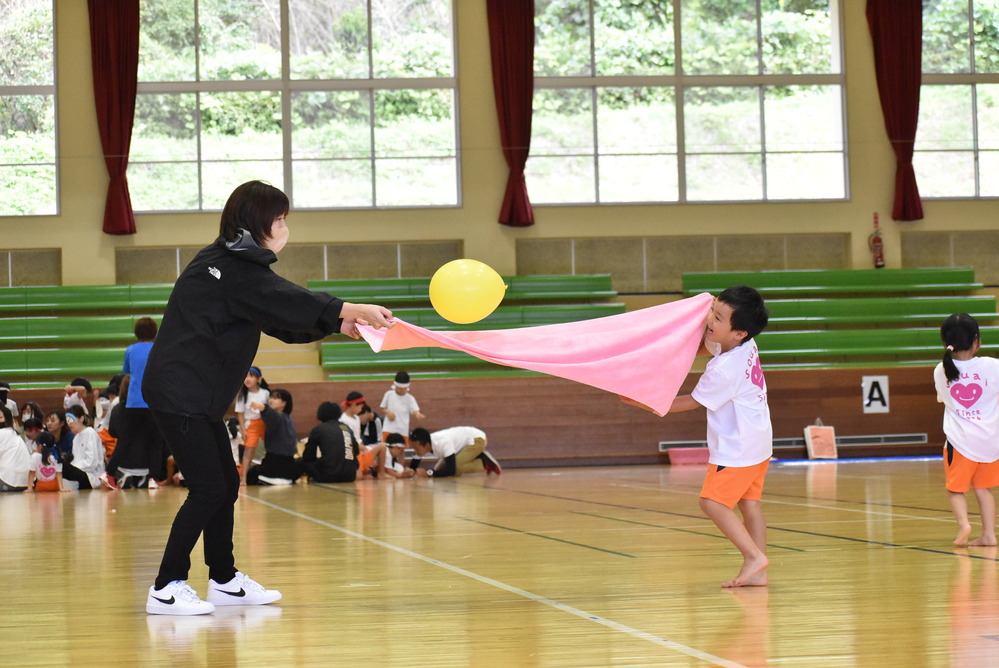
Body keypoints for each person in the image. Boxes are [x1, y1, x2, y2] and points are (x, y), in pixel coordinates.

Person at [141, 180, 394, 616]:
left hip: (195, 396)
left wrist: (338, 323)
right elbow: (284, 299)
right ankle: (166, 586)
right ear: (256, 223)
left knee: (224, 487)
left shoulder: (234, 267)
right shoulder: (225, 267)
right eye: (279, 218)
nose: (284, 226)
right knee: (207, 489)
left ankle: (223, 580)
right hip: (179, 393)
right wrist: (349, 310)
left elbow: (279, 314)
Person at [625, 285, 771, 589]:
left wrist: (643, 400)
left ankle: (753, 557)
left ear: (739, 332)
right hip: (758, 442)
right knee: (750, 505)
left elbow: (690, 401)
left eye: (717, 318)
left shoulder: (723, 370)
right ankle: (758, 572)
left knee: (712, 503)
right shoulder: (745, 345)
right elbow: (707, 344)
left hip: (737, 448)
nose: (709, 321)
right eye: (713, 311)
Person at [935, 313, 999, 547]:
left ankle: (964, 525)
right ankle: (989, 535)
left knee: (956, 489)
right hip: (990, 442)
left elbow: (944, 399)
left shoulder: (941, 370)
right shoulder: (994, 366)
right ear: (977, 341)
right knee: (984, 489)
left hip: (960, 443)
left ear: (946, 341)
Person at [122, 317, 168, 485]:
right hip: (153, 401)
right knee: (156, 442)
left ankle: (109, 473)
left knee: (125, 440)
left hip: (133, 401)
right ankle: (153, 478)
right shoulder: (158, 349)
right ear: (155, 331)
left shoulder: (131, 349)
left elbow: (127, 372)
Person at [245, 389, 300, 486]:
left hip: (275, 465)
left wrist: (261, 407)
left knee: (251, 475)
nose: (271, 400)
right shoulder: (289, 419)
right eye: (271, 397)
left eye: (275, 398)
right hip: (289, 467)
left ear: (283, 403)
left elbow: (270, 413)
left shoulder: (278, 417)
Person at [409, 426, 501, 478]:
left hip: (476, 439)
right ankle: (478, 457)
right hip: (460, 446)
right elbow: (413, 465)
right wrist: (410, 471)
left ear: (426, 445)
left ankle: (484, 463)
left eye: (416, 448)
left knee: (457, 469)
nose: (415, 451)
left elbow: (451, 470)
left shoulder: (443, 443)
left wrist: (428, 473)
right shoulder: (425, 442)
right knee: (438, 470)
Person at [300, 402, 359, 483]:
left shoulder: (319, 429)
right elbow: (356, 451)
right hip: (350, 475)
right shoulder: (346, 428)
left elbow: (308, 456)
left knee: (301, 462)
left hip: (328, 476)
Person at [60, 406, 108, 491]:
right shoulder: (76, 438)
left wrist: (73, 467)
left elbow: (92, 461)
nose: (69, 423)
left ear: (81, 418)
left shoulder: (90, 433)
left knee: (62, 467)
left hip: (92, 475)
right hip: (81, 470)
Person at [236, 366, 270, 486]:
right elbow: (240, 414)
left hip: (265, 423)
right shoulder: (242, 395)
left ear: (258, 379)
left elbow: (270, 411)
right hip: (251, 424)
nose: (247, 379)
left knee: (269, 449)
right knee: (248, 452)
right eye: (245, 376)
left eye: (251, 376)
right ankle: (243, 478)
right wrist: (243, 429)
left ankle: (269, 474)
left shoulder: (265, 393)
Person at [380, 371, 425, 444]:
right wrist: (388, 412)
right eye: (399, 388)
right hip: (389, 427)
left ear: (407, 387)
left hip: (402, 429)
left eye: (403, 388)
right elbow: (383, 407)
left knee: (401, 449)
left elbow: (415, 409)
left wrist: (417, 414)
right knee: (386, 447)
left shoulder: (410, 398)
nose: (401, 390)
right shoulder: (389, 394)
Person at [0, 405, 29, 492]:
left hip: (7, 481)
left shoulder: (2, 433)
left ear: (7, 419)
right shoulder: (13, 433)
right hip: (24, 483)